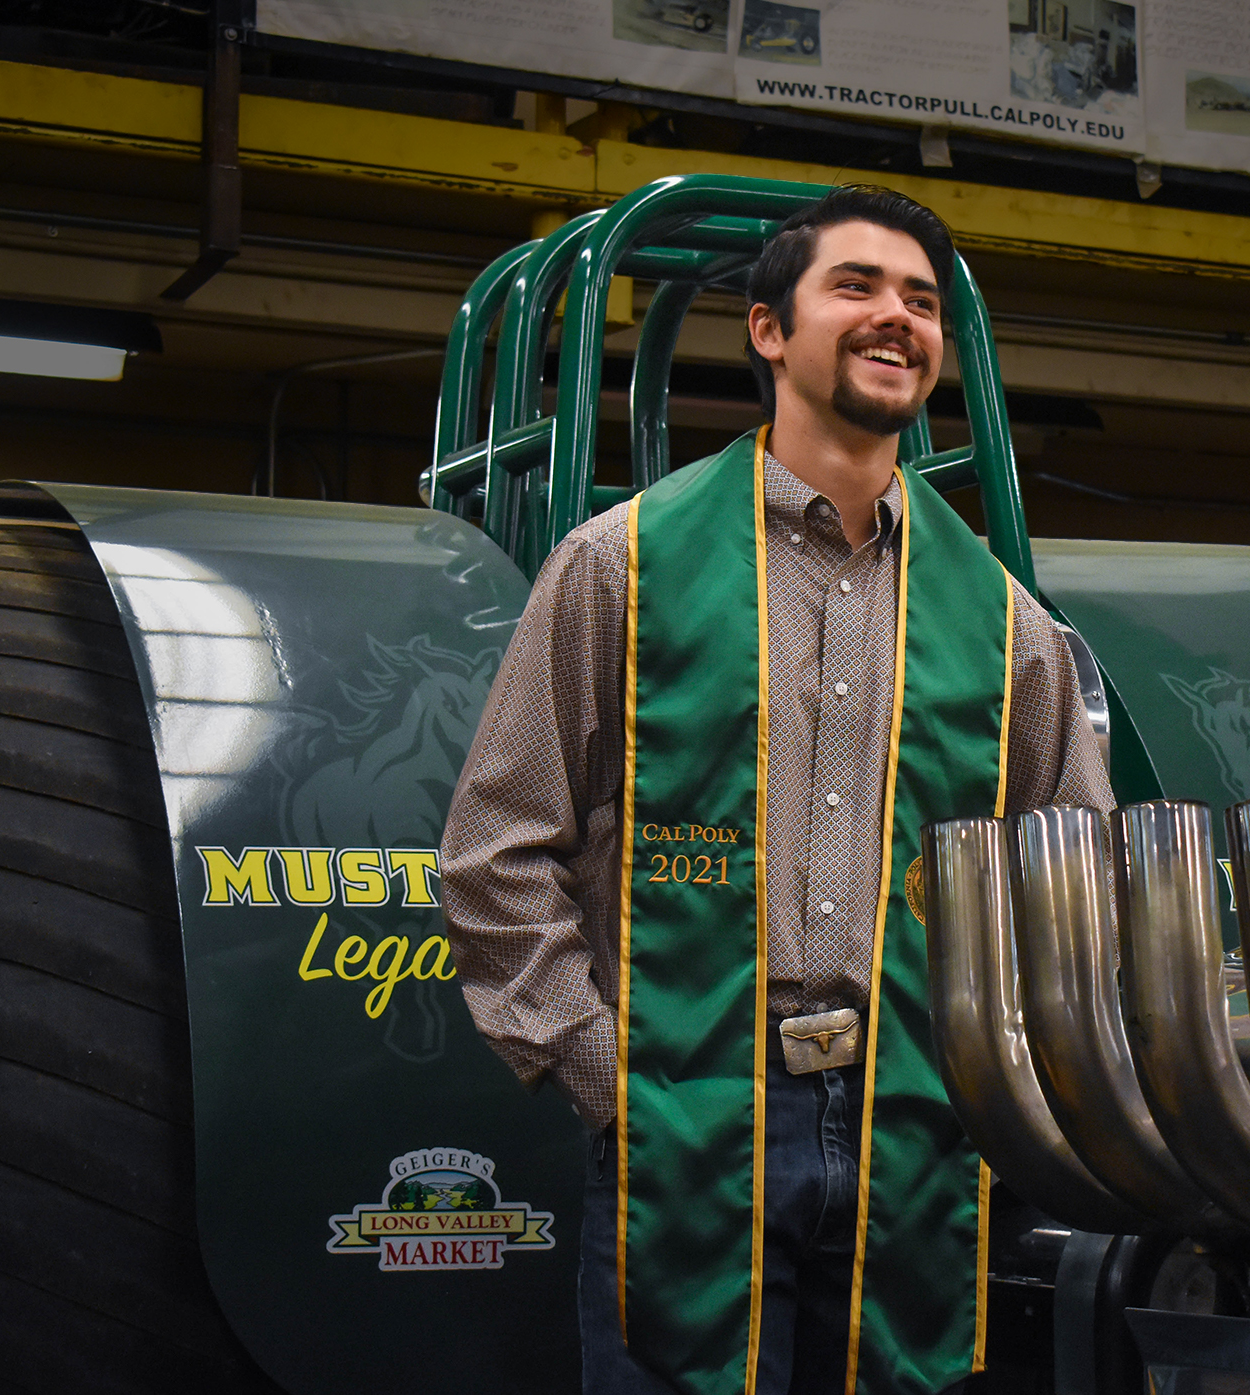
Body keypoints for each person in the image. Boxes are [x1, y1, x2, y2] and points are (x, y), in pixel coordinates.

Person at [440, 185, 1113, 1395]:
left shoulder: (1011, 629)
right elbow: (498, 849)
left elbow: (1074, 892)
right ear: (768, 329)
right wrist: (607, 1075)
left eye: (922, 301)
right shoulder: (619, 569)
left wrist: (1003, 1091)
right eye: (855, 286)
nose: (896, 316)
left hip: (919, 1132)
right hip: (686, 1116)